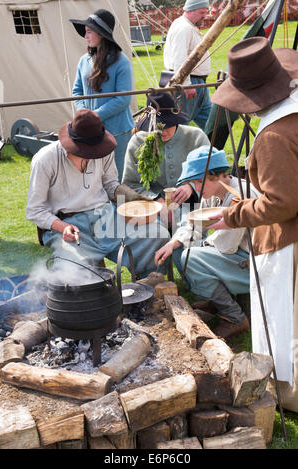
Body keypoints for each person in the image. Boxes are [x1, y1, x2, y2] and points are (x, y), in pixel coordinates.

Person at [209, 37, 298, 412]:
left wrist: (234, 213)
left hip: (288, 240)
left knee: (286, 321)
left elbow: (282, 203)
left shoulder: (275, 135)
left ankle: (290, 393)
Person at [26, 109, 170, 278]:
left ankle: (149, 289)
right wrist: (63, 227)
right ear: (71, 144)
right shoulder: (45, 160)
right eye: (86, 153)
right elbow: (35, 210)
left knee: (157, 236)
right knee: (70, 271)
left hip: (105, 216)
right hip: (67, 224)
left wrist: (134, 198)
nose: (92, 157)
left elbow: (110, 184)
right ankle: (94, 301)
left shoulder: (103, 150)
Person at [154, 145, 260, 339]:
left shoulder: (239, 195)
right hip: (235, 254)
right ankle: (215, 300)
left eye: (198, 182)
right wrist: (173, 242)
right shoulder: (212, 194)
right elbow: (195, 226)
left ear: (216, 176)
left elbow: (227, 245)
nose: (196, 188)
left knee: (191, 257)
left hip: (254, 262)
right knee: (179, 249)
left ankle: (235, 317)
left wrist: (201, 245)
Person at [122, 92, 210, 229]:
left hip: (192, 206)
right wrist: (155, 200)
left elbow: (212, 175)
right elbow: (130, 184)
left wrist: (191, 187)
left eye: (167, 125)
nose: (162, 131)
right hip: (151, 208)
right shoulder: (138, 142)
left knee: (188, 231)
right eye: (157, 126)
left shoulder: (196, 138)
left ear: (176, 121)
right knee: (153, 234)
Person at [70, 9, 134, 181]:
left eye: (89, 31)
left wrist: (94, 116)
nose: (85, 36)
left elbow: (123, 98)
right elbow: (77, 91)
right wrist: (83, 114)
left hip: (117, 131)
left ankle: (121, 208)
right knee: (94, 178)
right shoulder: (84, 60)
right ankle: (100, 208)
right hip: (89, 130)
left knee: (118, 177)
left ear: (101, 34)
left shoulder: (122, 62)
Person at [162, 0, 211, 131]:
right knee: (180, 127)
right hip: (188, 83)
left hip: (199, 84)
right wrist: (186, 84)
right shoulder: (183, 28)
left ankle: (213, 150)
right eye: (201, 12)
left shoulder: (189, 26)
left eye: (205, 12)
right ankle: (178, 151)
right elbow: (179, 58)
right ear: (189, 10)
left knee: (212, 123)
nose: (204, 15)